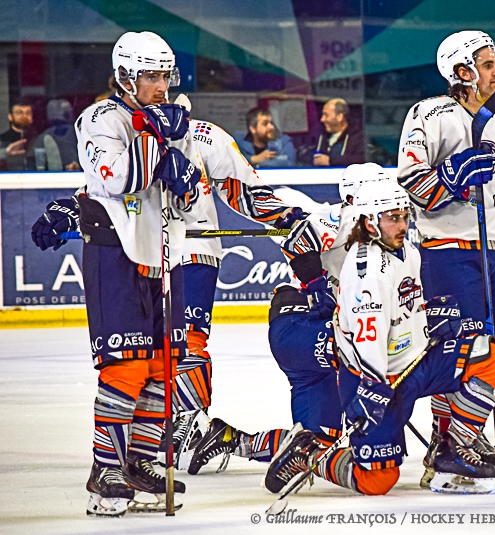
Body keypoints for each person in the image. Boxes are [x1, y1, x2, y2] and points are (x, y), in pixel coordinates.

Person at [31, 112, 304, 474]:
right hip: (136, 249)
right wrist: (76, 208)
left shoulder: (202, 135)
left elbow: (245, 189)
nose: (159, 90)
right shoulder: (118, 128)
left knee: (186, 341)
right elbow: (107, 186)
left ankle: (190, 422)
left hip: (191, 250)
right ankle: (172, 432)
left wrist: (286, 217)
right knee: (145, 349)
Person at [265, 180, 495, 496]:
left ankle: (452, 449)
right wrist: (371, 388)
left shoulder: (409, 251)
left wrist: (432, 316)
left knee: (491, 357)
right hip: (376, 379)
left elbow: (406, 306)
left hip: (416, 362)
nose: (402, 225)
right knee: (377, 481)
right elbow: (366, 341)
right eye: (392, 218)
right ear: (370, 222)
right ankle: (308, 454)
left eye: (404, 216)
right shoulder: (366, 273)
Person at [396, 32, 495, 484]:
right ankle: (452, 443)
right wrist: (452, 176)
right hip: (449, 251)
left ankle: (457, 440)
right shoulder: (429, 114)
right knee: (462, 354)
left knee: (493, 353)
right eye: (488, 63)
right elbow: (411, 183)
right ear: (463, 72)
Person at [186, 163, 390, 475]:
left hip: (314, 330)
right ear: (355, 197)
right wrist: (318, 287)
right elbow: (296, 242)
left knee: (317, 444)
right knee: (364, 349)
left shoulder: (385, 229)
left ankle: (231, 439)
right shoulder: (341, 217)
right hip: (302, 325)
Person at [71, 31, 201, 517]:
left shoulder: (172, 119)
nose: (161, 85)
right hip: (114, 252)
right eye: (150, 76)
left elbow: (189, 198)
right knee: (124, 365)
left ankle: (141, 461)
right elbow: (117, 179)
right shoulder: (101, 119)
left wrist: (186, 178)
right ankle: (106, 467)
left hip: (164, 252)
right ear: (126, 77)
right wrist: (155, 139)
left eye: (165, 75)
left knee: (164, 366)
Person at [311, 98, 364, 166]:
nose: (322, 119)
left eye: (326, 115)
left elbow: (362, 159)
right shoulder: (321, 136)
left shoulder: (358, 138)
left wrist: (331, 161)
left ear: (339, 117)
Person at [35, 99, 81, 171]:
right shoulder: (44, 137)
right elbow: (38, 164)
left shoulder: (78, 133)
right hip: (53, 176)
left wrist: (77, 164)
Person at [0, 98, 35, 170]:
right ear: (10, 117)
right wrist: (5, 153)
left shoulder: (39, 138)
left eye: (28, 113)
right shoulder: (2, 139)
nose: (24, 116)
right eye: (19, 113)